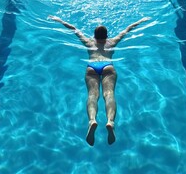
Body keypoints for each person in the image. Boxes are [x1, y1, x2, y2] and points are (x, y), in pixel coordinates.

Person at [49, 15, 150, 146]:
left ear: (95, 36)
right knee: (109, 94)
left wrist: (59, 20)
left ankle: (92, 120)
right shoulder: (112, 42)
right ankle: (110, 121)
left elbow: (74, 29)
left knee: (92, 95)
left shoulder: (89, 42)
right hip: (108, 66)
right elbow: (127, 30)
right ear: (106, 36)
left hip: (92, 67)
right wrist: (140, 21)